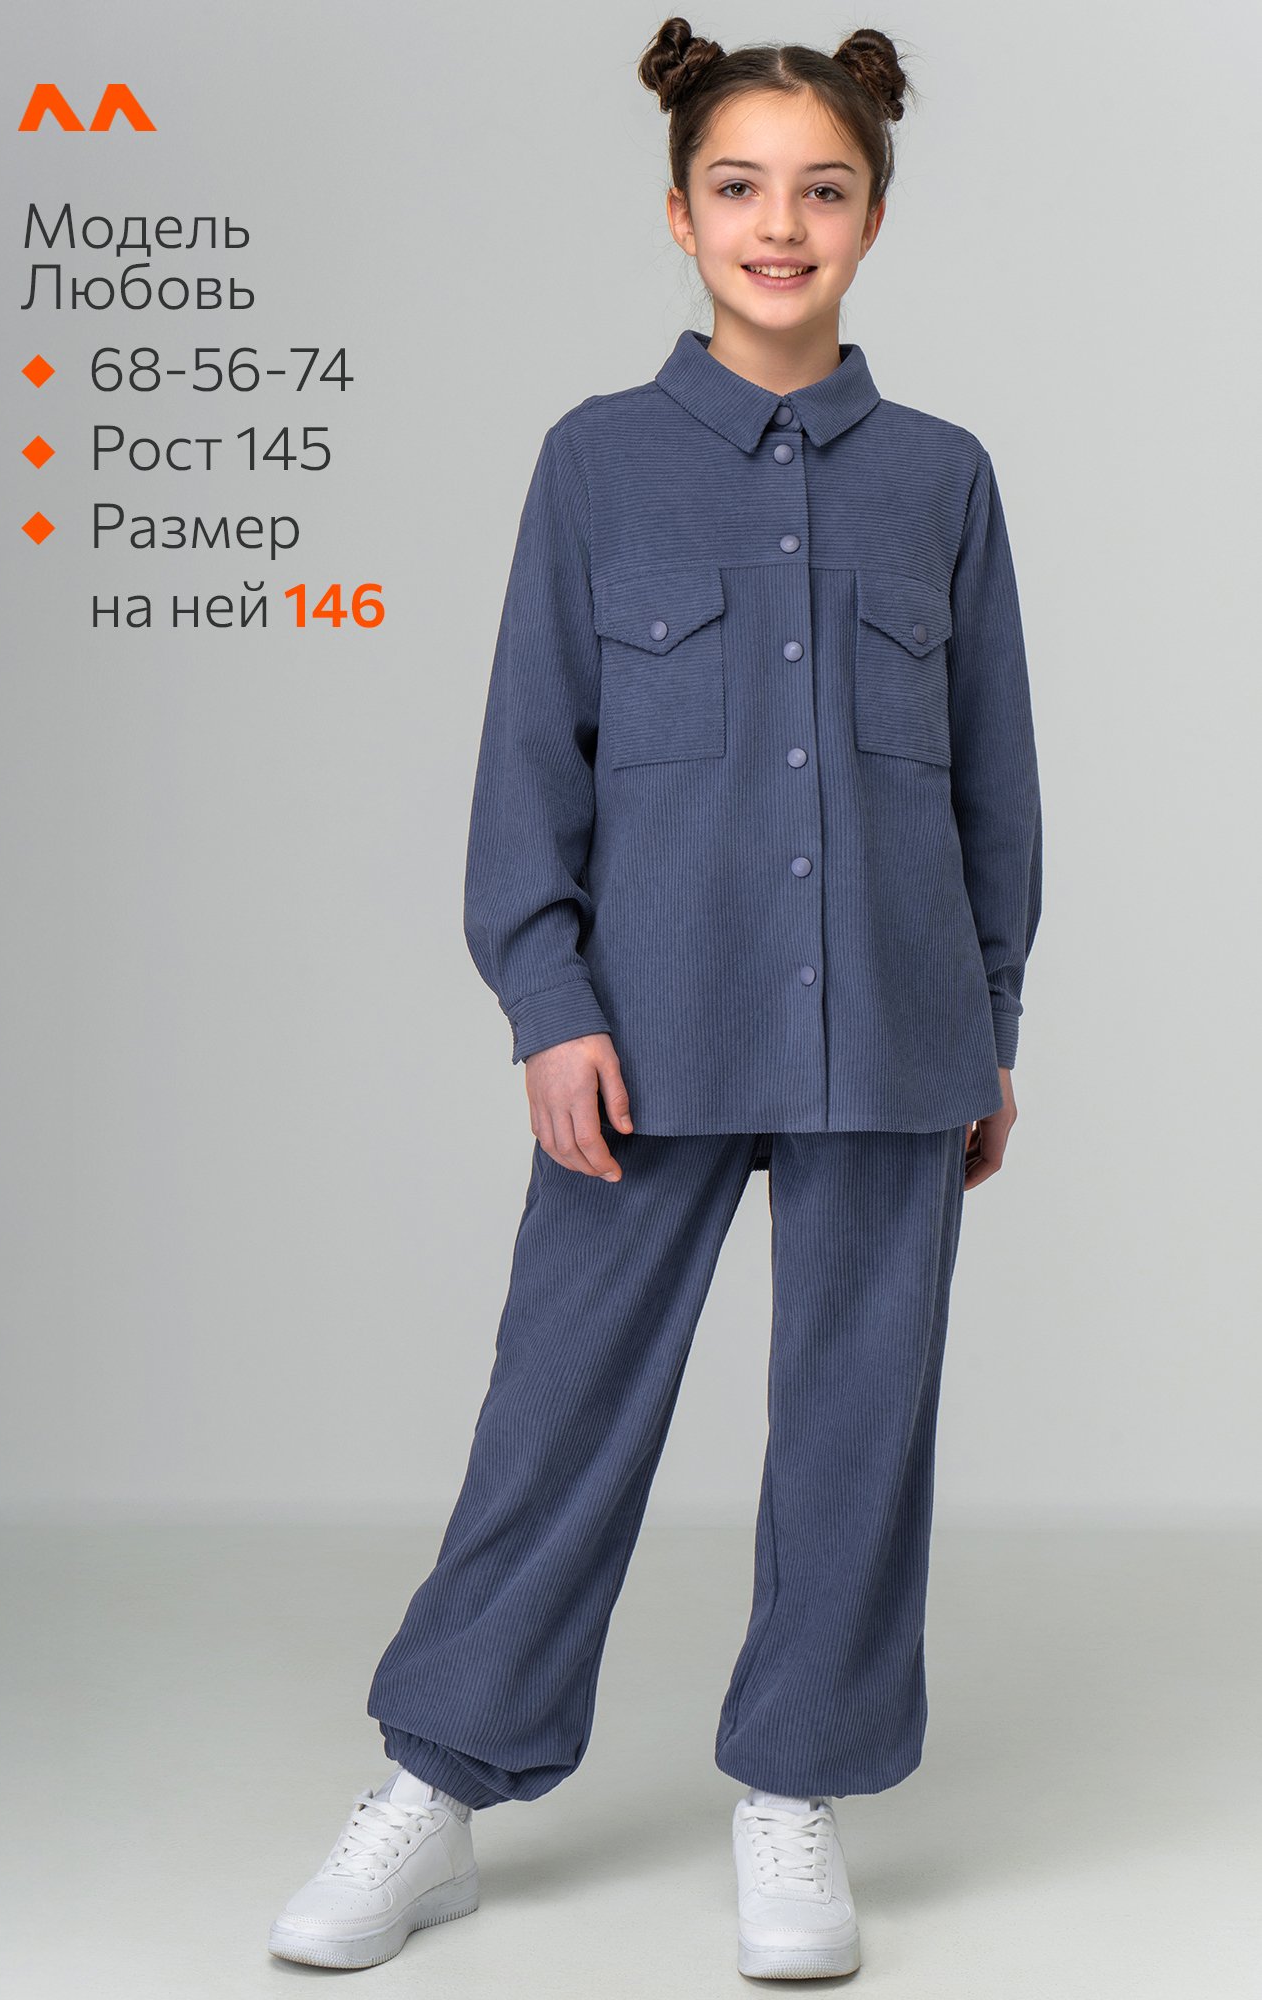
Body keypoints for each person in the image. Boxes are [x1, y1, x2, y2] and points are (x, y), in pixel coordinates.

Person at [268, 14, 1043, 1981]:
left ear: (874, 216)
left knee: (856, 1424)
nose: (780, 223)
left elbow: (994, 785)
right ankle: (435, 1783)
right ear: (679, 213)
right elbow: (528, 764)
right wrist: (547, 1002)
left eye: (823, 188)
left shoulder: (944, 482)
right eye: (739, 186)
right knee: (558, 1411)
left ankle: (795, 1792)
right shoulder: (595, 464)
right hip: (645, 1024)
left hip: (897, 1029)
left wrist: (990, 1023)